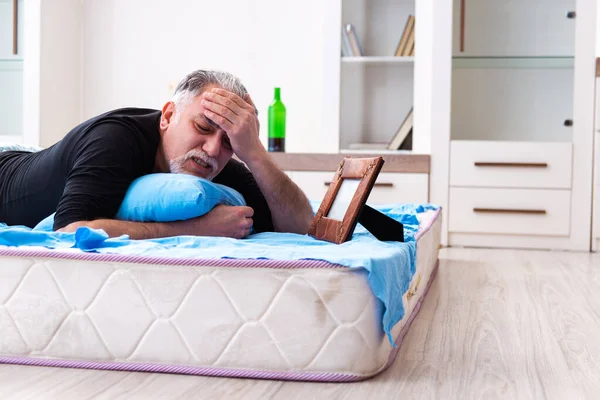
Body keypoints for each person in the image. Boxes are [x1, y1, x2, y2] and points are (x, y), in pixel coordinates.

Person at [0, 69, 314, 239]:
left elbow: (302, 227)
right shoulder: (115, 140)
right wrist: (195, 229)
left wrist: (255, 152)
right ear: (167, 116)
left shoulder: (210, 157)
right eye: (203, 126)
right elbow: (69, 233)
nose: (213, 149)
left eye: (230, 140)